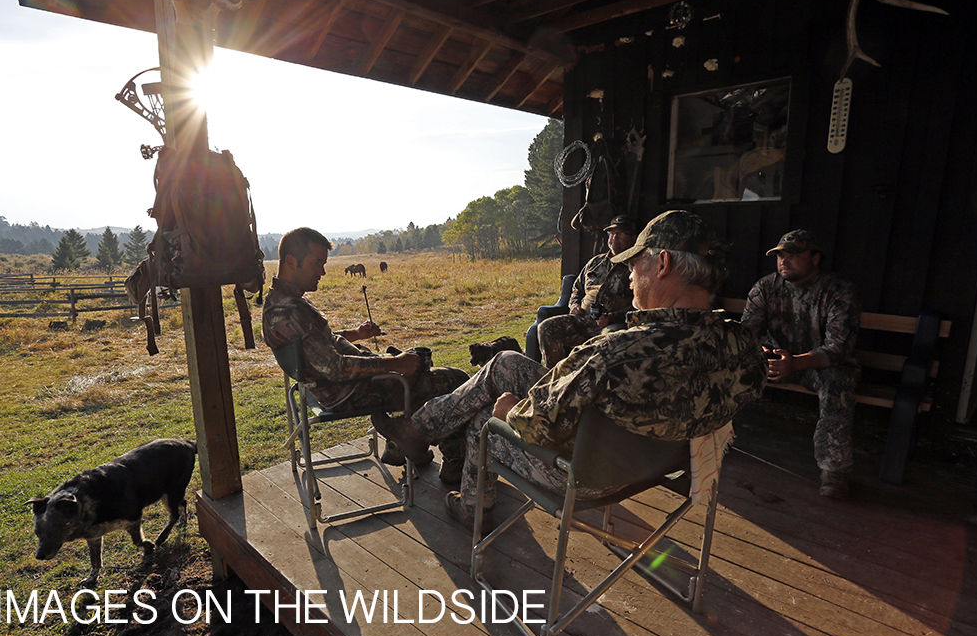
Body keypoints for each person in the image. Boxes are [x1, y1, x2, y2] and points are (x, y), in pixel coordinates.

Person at [376, 211, 767, 528]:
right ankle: (419, 430)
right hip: (661, 462)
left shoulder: (615, 352)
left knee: (484, 417)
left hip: (588, 474)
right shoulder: (744, 346)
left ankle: (472, 508)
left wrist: (507, 410)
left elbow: (537, 425)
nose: (629, 275)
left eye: (634, 264)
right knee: (506, 363)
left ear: (662, 263)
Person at [261, 227, 469, 480]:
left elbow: (316, 343)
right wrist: (393, 364)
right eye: (317, 263)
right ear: (292, 261)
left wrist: (356, 335)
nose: (322, 272)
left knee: (417, 370)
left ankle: (401, 442)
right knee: (453, 380)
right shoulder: (290, 310)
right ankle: (454, 461)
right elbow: (334, 367)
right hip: (346, 391)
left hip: (330, 388)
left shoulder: (280, 302)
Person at [740, 229, 861, 500]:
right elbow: (747, 334)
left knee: (837, 384)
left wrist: (796, 363)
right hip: (777, 362)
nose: (785, 261)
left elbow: (839, 348)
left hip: (819, 366)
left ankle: (834, 471)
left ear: (815, 258)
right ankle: (700, 445)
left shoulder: (838, 291)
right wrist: (763, 353)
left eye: (794, 255)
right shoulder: (766, 287)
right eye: (781, 255)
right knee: (721, 364)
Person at [537, 214, 640, 367]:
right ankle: (555, 378)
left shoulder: (637, 267)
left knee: (608, 341)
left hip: (612, 325)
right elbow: (577, 289)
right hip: (583, 320)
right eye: (611, 233)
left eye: (620, 234)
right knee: (546, 327)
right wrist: (574, 305)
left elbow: (641, 305)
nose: (613, 238)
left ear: (633, 238)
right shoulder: (595, 263)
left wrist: (613, 318)